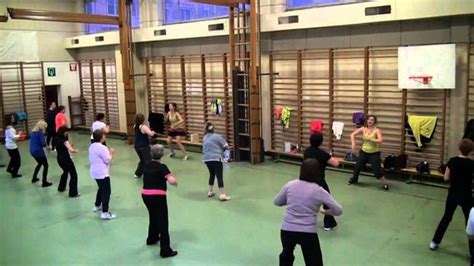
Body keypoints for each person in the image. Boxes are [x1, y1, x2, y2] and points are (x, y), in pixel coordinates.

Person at [274, 158, 343, 266]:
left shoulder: (290, 185)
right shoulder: (319, 190)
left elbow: (277, 202)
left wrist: (294, 202)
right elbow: (338, 211)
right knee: (314, 262)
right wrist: (325, 212)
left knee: (286, 254)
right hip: (307, 232)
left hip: (287, 229)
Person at [430, 139, 474, 252]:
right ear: (470, 151)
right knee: (469, 222)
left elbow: (445, 178)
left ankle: (434, 242)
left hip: (453, 194)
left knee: (446, 217)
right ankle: (472, 251)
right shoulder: (472, 164)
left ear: (459, 148)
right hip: (467, 196)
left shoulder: (452, 161)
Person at [142, 144, 178, 258]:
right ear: (161, 155)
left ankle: (151, 238)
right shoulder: (162, 167)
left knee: (153, 216)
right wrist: (175, 182)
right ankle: (165, 250)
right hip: (158, 196)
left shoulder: (146, 165)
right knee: (163, 221)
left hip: (145, 195)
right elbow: (171, 180)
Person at [303, 132, 340, 231]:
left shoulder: (306, 151)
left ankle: (305, 220)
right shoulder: (322, 153)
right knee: (327, 200)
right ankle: (329, 224)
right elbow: (336, 163)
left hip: (306, 179)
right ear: (321, 142)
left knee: (307, 200)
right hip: (318, 181)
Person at [348, 115, 389, 190]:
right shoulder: (363, 129)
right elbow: (352, 134)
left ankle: (385, 183)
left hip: (374, 153)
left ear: (374, 122)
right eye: (368, 119)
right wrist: (353, 143)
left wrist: (370, 139)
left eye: (372, 120)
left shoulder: (377, 130)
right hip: (364, 152)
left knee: (377, 171)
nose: (370, 121)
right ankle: (354, 179)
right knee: (357, 167)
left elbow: (380, 140)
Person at [89, 129, 116, 220]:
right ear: (101, 137)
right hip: (102, 173)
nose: (105, 136)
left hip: (94, 172)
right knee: (106, 191)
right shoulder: (102, 147)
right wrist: (111, 153)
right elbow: (107, 160)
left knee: (101, 188)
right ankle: (105, 212)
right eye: (103, 135)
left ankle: (97, 205)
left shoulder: (92, 146)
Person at [202, 122, 231, 201]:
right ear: (213, 129)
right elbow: (227, 147)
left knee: (212, 174)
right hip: (216, 158)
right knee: (219, 176)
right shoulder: (218, 136)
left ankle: (210, 191)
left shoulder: (204, 137)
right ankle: (222, 195)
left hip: (206, 159)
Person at [55, 126, 80, 197]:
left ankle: (61, 187)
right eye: (66, 132)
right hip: (66, 159)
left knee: (65, 172)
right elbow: (71, 150)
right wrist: (75, 150)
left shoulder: (56, 138)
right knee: (74, 175)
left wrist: (69, 146)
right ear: (63, 132)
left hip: (59, 159)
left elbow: (61, 147)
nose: (67, 133)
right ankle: (73, 193)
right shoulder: (64, 140)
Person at [29, 120, 52, 187]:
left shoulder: (33, 132)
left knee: (39, 163)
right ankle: (44, 182)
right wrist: (48, 147)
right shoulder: (40, 133)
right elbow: (43, 143)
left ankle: (34, 178)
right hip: (38, 151)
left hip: (32, 151)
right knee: (46, 166)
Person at [134, 113, 156, 178]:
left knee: (142, 160)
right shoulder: (143, 127)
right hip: (144, 146)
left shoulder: (135, 126)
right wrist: (153, 132)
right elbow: (151, 134)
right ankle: (149, 174)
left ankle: (138, 173)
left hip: (137, 146)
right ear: (143, 119)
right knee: (148, 161)